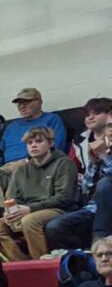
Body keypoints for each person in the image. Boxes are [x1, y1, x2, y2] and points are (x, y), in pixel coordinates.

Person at [0, 127, 78, 261]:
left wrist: (30, 209)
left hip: (58, 209)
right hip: (27, 210)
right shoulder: (21, 170)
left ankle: (41, 263)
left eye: (39, 141)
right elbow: (12, 198)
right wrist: (10, 213)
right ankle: (21, 263)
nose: (33, 145)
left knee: (29, 221)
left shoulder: (64, 163)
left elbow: (64, 198)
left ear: (50, 143)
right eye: (29, 143)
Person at [0, 88, 70, 211]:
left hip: (33, 163)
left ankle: (12, 209)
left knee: (19, 171)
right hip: (7, 167)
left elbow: (57, 145)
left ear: (39, 102)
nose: (22, 106)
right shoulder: (12, 126)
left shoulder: (52, 119)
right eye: (19, 103)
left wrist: (28, 161)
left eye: (26, 102)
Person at [44, 97, 112, 251]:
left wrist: (104, 157)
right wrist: (94, 161)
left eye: (96, 113)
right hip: (94, 205)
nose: (90, 117)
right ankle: (83, 257)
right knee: (55, 227)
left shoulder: (102, 150)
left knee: (105, 185)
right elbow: (87, 189)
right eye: (109, 127)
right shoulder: (93, 145)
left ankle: (100, 246)